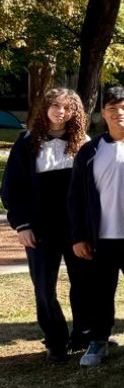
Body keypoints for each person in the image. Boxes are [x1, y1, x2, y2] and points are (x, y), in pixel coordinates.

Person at [1, 87, 91, 363]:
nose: (60, 112)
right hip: (39, 229)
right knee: (44, 286)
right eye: (55, 106)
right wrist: (22, 224)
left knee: (84, 283)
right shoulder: (27, 142)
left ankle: (84, 335)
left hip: (75, 228)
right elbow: (12, 188)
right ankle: (56, 339)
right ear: (45, 108)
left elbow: (90, 190)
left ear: (75, 112)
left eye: (67, 107)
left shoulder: (84, 143)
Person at [67, 86, 124, 367]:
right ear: (103, 113)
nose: (119, 114)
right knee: (99, 294)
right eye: (112, 109)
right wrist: (78, 236)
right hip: (99, 238)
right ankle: (98, 341)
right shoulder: (90, 150)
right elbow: (75, 197)